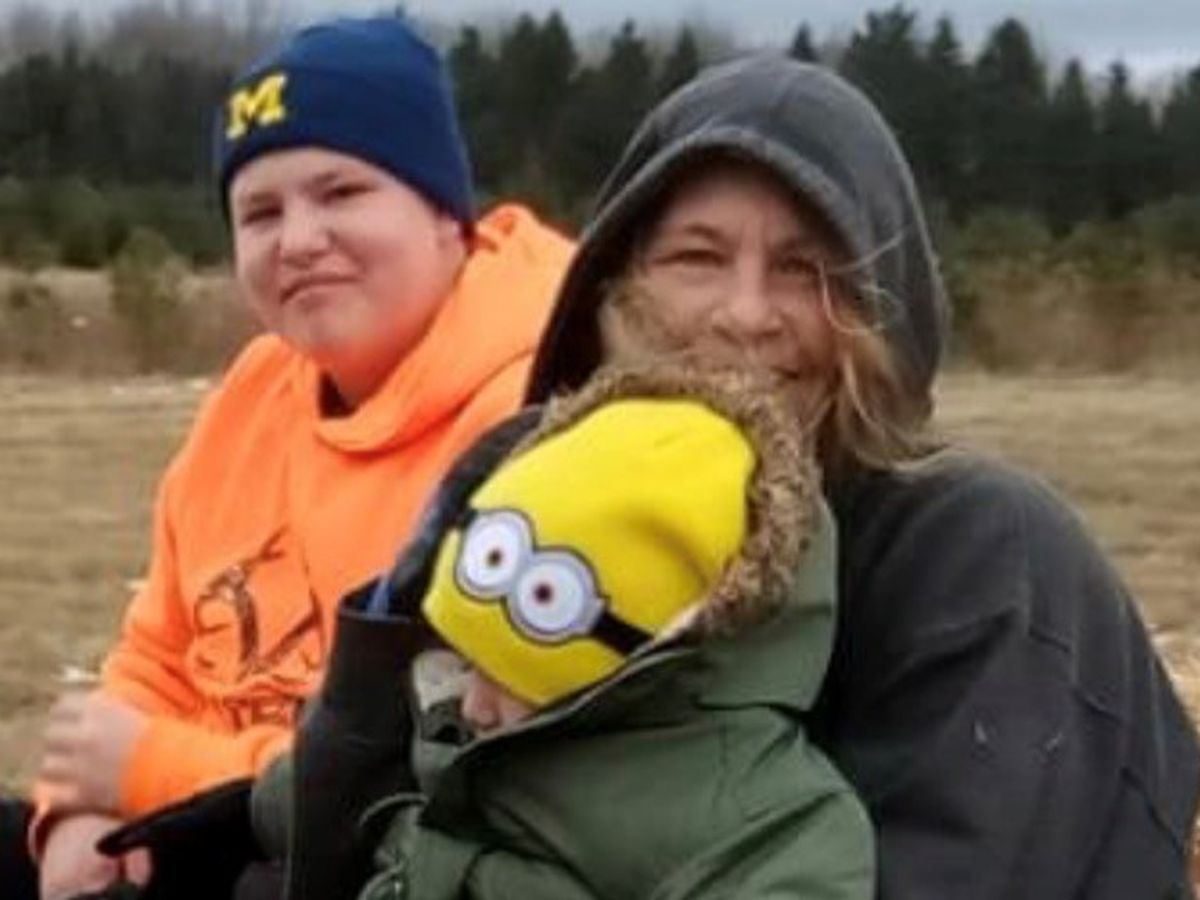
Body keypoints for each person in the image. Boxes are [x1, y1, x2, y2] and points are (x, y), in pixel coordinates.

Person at [520, 54, 1200, 897]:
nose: (746, 315)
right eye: (697, 257)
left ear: (880, 310)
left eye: (803, 269)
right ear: (612, 291)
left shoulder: (978, 557)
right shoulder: (523, 528)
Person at [0, 15, 571, 900]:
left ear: (443, 214)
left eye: (340, 193)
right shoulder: (254, 392)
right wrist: (76, 812)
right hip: (193, 829)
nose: (298, 239)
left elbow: (440, 772)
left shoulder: (537, 416)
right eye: (260, 212)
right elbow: (155, 655)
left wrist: (150, 771)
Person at [252, 363, 873, 899]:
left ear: (641, 660)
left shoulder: (768, 828)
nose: (473, 705)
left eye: (512, 676)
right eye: (468, 662)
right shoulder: (456, 717)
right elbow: (287, 809)